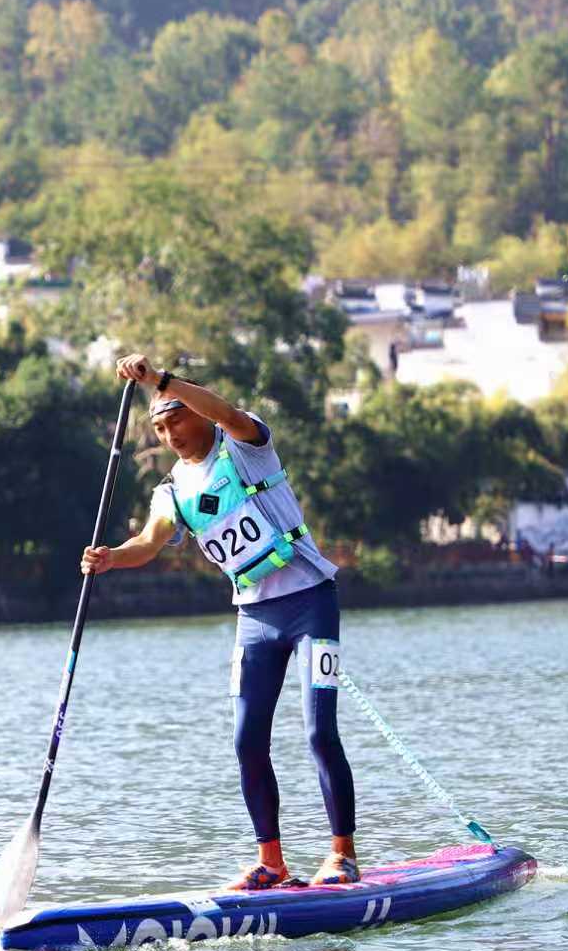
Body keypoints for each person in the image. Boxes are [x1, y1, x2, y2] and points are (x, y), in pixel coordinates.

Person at [82, 354, 360, 891]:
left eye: (177, 420)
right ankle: (271, 863)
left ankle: (342, 855)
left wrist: (160, 381)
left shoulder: (245, 446)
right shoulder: (172, 491)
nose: (171, 435)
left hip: (311, 604)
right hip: (254, 619)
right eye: (160, 429)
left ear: (198, 413)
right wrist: (111, 557)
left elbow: (227, 412)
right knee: (246, 741)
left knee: (319, 731)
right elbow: (149, 541)